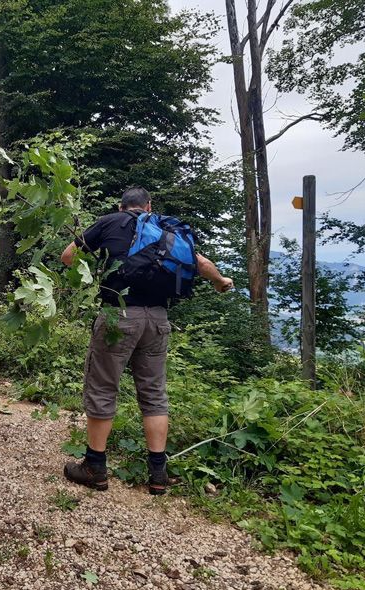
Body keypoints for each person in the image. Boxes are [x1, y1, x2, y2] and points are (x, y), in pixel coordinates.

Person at [60, 187, 234, 494]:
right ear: (148, 206)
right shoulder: (166, 229)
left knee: (103, 387)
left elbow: (67, 257)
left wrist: (90, 272)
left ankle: (95, 468)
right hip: (158, 320)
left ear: (120, 205)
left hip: (118, 316)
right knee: (154, 394)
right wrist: (221, 282)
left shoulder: (108, 222)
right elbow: (201, 263)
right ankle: (158, 474)